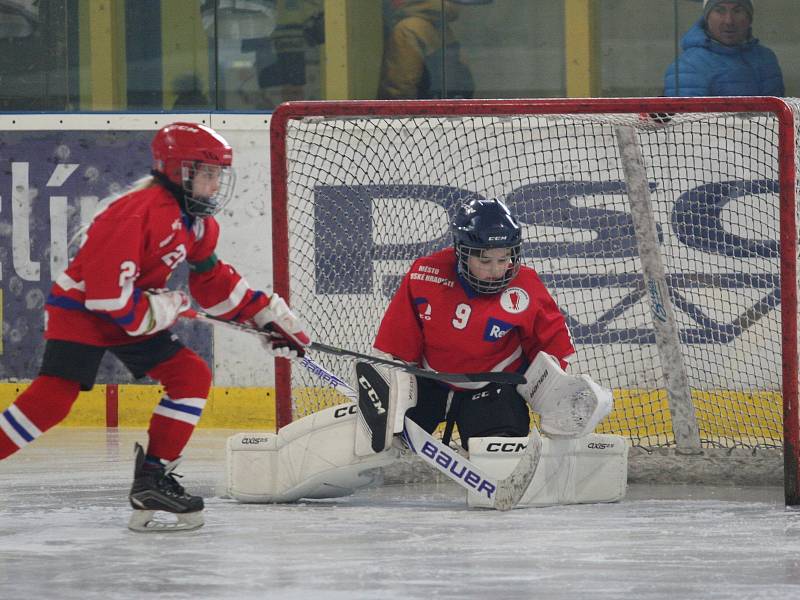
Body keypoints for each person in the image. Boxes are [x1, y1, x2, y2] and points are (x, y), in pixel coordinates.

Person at [0, 122, 311, 532]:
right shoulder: (135, 212)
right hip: (83, 311)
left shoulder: (196, 222)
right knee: (54, 400)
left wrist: (264, 315)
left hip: (133, 308)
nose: (216, 185)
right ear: (180, 170)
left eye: (219, 175)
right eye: (209, 173)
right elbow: (105, 295)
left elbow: (212, 282)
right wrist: (160, 311)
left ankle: (152, 479)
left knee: (190, 376)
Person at [373, 198, 576, 450]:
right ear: (462, 251)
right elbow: (397, 347)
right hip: (429, 382)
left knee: (500, 450)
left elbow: (553, 349)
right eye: (485, 261)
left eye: (503, 260)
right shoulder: (426, 274)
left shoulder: (526, 286)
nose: (496, 270)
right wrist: (393, 399)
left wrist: (555, 396)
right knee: (386, 440)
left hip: (493, 387)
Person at [664, 0, 784, 97]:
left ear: (749, 18)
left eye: (737, 11)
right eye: (719, 10)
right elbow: (687, 124)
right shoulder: (688, 66)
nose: (729, 21)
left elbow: (776, 119)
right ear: (707, 18)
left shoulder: (766, 59)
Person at [377, 0, 489, 100]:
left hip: (422, 116)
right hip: (447, 110)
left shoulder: (407, 29)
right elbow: (463, 78)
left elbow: (400, 90)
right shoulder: (440, 25)